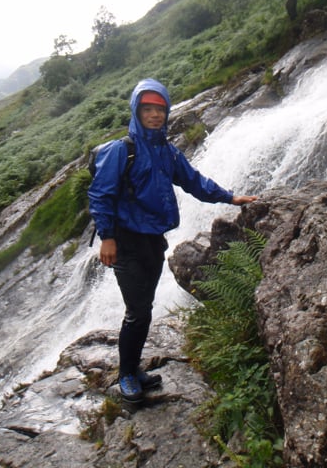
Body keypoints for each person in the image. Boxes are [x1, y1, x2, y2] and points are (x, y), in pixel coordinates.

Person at [88, 78, 257, 403]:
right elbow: (100, 195)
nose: (154, 115)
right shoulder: (120, 150)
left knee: (144, 308)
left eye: (160, 109)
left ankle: (134, 369)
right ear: (137, 112)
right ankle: (126, 375)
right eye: (147, 109)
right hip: (125, 241)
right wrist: (107, 238)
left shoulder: (167, 152)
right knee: (137, 311)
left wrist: (229, 197)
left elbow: (193, 181)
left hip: (153, 240)